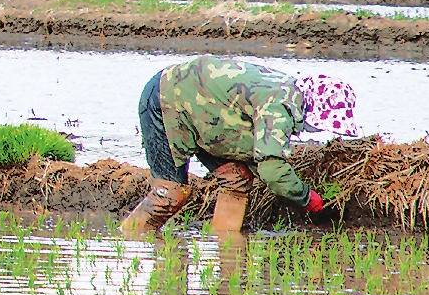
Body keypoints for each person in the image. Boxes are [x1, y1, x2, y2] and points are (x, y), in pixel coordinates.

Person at [120, 55, 359, 236]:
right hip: (168, 97)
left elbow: (255, 149)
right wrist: (307, 199)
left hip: (205, 111)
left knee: (238, 180)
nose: (320, 131)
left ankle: (225, 247)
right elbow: (271, 169)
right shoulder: (279, 107)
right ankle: (129, 241)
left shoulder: (288, 92)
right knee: (170, 194)